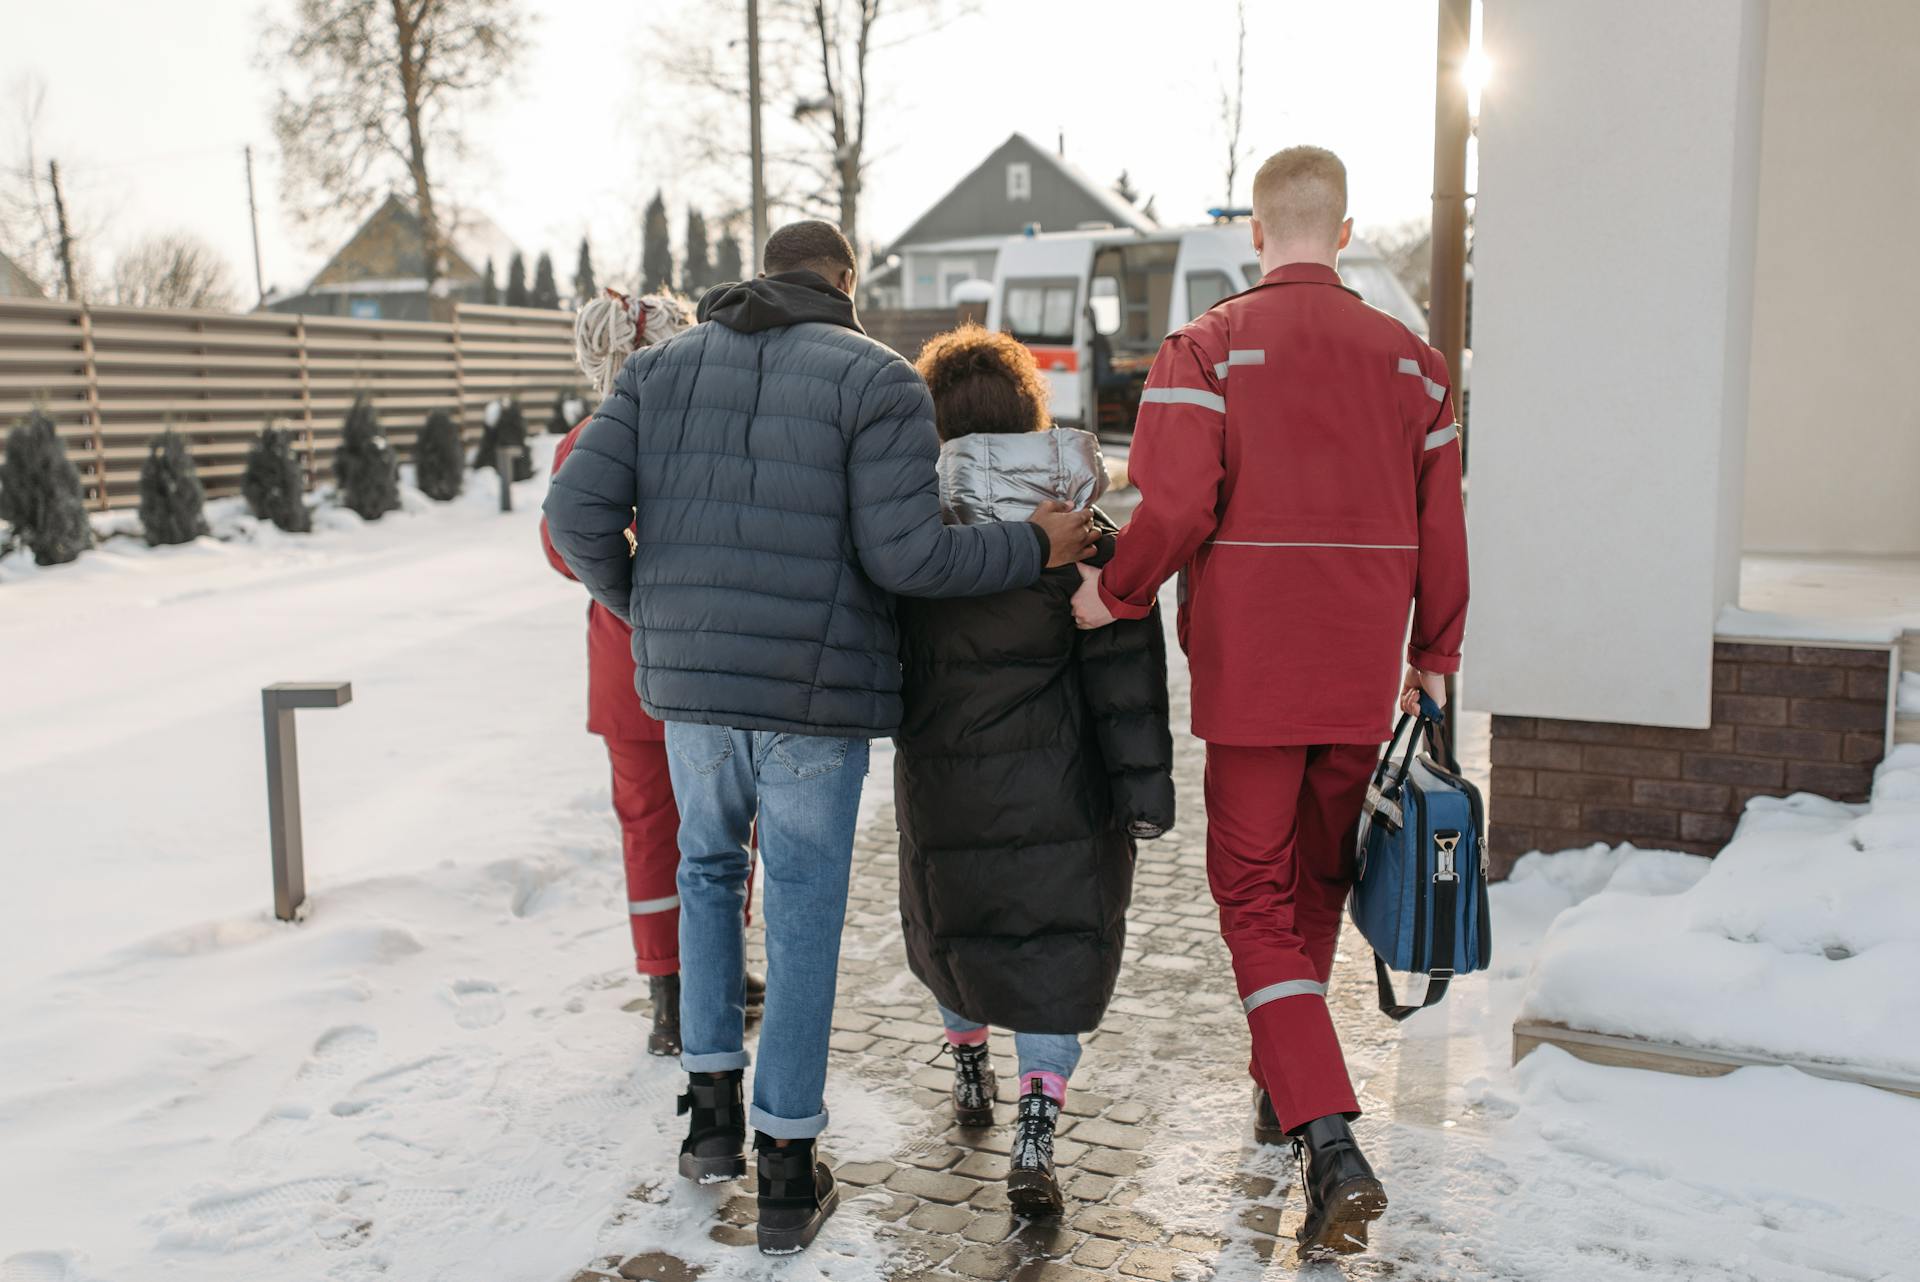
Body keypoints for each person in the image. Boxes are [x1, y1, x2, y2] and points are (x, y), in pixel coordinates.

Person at [542, 221, 1098, 1255]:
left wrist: (644, 607)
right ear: (845, 281)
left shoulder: (659, 372)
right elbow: (908, 557)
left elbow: (574, 511)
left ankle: (709, 1128)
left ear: (764, 269)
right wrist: (1031, 543)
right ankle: (788, 1169)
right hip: (814, 696)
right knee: (799, 913)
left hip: (695, 693)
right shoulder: (876, 379)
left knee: (707, 876)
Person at [1072, 146, 1469, 1257]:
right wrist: (1433, 651)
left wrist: (1115, 595)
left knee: (1248, 891)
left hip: (1252, 667)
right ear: (1342, 233)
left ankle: (1328, 1131)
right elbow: (1447, 531)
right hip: (1356, 668)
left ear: (1257, 231)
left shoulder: (1207, 347)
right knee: (1314, 877)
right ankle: (1283, 1087)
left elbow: (1175, 500)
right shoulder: (1419, 367)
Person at [892, 327, 1174, 1218]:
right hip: (1066, 789)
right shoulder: (1086, 535)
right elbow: (1131, 686)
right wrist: (1142, 794)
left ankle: (971, 1065)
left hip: (942, 787)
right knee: (1054, 948)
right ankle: (1037, 1123)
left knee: (955, 931)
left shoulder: (916, 543)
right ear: (1029, 419)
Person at [539, 288, 764, 1057]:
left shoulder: (585, 441)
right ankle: (715, 972)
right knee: (727, 820)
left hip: (625, 668)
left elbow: (560, 546)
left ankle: (670, 991)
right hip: (712, 662)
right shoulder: (709, 432)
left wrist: (630, 580)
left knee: (651, 831)